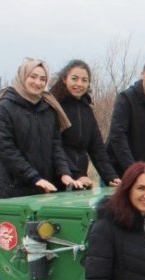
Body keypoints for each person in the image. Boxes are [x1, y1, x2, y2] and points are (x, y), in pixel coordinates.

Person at [0, 57, 74, 280]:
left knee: (40, 251)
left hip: (43, 191)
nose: (37, 82)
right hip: (13, 192)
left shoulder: (48, 108)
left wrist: (64, 173)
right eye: (33, 77)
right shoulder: (5, 108)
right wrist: (34, 177)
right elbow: (6, 150)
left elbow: (56, 146)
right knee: (13, 255)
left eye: (42, 79)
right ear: (22, 77)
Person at [49, 59, 121, 188]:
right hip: (57, 176)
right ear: (64, 79)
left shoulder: (87, 109)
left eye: (84, 80)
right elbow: (55, 147)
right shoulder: (54, 106)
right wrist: (75, 175)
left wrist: (111, 176)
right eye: (74, 79)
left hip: (80, 178)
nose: (79, 84)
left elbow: (97, 148)